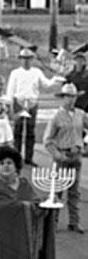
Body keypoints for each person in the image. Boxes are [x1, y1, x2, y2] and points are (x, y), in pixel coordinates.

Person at [41, 83, 88, 233]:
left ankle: (74, 221)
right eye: (68, 96)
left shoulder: (81, 114)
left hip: (76, 154)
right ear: (63, 98)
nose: (71, 99)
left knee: (75, 191)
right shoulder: (56, 117)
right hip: (62, 154)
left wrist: (84, 146)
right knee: (57, 190)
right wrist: (57, 155)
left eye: (73, 97)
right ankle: (53, 222)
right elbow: (47, 140)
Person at [6, 48, 64, 166]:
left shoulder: (36, 72)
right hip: (19, 102)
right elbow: (10, 91)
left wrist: (56, 78)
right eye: (24, 59)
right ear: (20, 60)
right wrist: (9, 106)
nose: (26, 61)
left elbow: (46, 85)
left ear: (31, 59)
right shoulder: (15, 73)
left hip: (32, 102)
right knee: (18, 130)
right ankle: (16, 156)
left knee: (30, 131)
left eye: (28, 58)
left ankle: (29, 157)